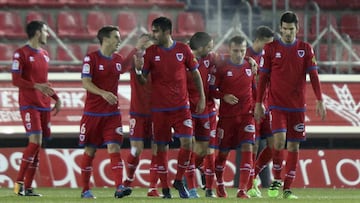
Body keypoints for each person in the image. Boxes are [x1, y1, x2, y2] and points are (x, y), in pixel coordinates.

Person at [254, 11, 326, 199]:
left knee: (294, 147)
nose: (288, 32)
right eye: (285, 29)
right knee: (278, 140)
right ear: (280, 28)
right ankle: (276, 178)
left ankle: (287, 189)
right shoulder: (270, 49)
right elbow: (263, 78)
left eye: (291, 29)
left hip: (297, 107)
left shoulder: (306, 49)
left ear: (297, 29)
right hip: (276, 104)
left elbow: (314, 76)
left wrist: (319, 100)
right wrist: (259, 102)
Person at [134, 17, 206, 199]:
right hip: (160, 109)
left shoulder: (183, 49)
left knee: (188, 142)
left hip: (181, 107)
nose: (153, 34)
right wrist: (137, 71)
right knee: (160, 148)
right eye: (153, 31)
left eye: (156, 31)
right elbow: (143, 80)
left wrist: (202, 97)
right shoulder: (151, 52)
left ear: (167, 32)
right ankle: (165, 188)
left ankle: (179, 180)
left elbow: (195, 74)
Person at [78, 25, 132, 199]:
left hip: (112, 115)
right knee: (90, 151)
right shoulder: (91, 59)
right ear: (106, 39)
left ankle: (119, 187)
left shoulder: (118, 59)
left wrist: (138, 49)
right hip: (93, 114)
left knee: (114, 147)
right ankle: (85, 189)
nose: (119, 40)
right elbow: (85, 82)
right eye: (116, 37)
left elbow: (124, 67)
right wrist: (103, 93)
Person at [12, 20, 61, 196]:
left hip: (44, 105)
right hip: (29, 104)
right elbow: (15, 80)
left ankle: (29, 187)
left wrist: (56, 98)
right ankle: (19, 183)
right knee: (35, 142)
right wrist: (36, 86)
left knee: (38, 145)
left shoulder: (45, 54)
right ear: (38, 32)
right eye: (46, 31)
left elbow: (44, 83)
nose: (48, 35)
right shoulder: (21, 54)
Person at [209, 36, 255, 199]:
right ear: (229, 50)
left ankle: (242, 190)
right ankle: (220, 183)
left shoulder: (250, 65)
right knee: (223, 154)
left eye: (243, 51)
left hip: (247, 116)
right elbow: (211, 89)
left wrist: (258, 105)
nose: (239, 54)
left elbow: (254, 88)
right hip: (227, 117)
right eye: (236, 51)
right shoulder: (221, 67)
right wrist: (223, 96)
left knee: (248, 148)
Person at [123, 33, 161, 197]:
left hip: (157, 112)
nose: (146, 51)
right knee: (136, 149)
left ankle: (152, 187)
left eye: (149, 47)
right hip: (138, 112)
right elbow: (121, 67)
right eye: (143, 47)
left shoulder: (159, 62)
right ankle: (127, 182)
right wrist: (135, 49)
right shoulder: (134, 60)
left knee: (157, 149)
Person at [184, 31, 217, 198]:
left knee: (203, 150)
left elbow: (229, 58)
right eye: (210, 47)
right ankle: (192, 189)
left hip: (203, 109)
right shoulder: (183, 59)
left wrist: (248, 59)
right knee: (189, 147)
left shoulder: (209, 58)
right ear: (202, 47)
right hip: (186, 109)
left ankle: (184, 174)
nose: (212, 50)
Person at [245, 25, 275, 198]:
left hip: (268, 105)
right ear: (258, 40)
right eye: (268, 44)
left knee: (274, 144)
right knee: (254, 145)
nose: (270, 47)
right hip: (251, 106)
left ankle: (254, 174)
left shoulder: (269, 57)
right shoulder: (245, 55)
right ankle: (249, 184)